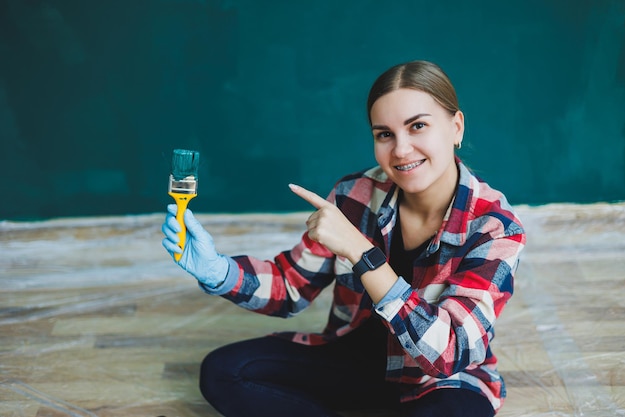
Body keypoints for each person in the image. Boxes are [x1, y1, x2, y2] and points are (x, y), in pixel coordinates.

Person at [161, 60, 526, 417]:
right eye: (384, 134)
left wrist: (361, 252)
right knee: (224, 372)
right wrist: (218, 271)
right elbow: (292, 286)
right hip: (354, 363)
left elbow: (448, 353)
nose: (400, 150)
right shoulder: (355, 194)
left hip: (439, 382)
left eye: (417, 126)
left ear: (456, 127)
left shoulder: (494, 226)